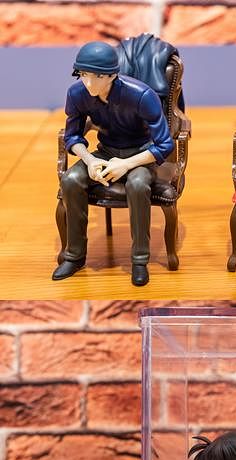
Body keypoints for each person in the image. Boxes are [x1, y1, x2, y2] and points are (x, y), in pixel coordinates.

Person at [52, 41, 174, 286]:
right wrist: (90, 160)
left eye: (96, 76)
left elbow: (164, 145)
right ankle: (74, 256)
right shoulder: (76, 94)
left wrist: (126, 164)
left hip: (140, 155)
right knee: (71, 179)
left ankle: (139, 260)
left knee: (138, 184)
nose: (88, 83)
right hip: (105, 152)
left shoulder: (141, 95)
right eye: (83, 74)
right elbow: (72, 137)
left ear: (111, 75)